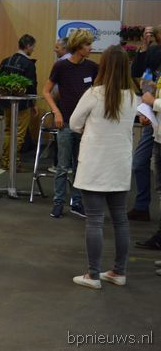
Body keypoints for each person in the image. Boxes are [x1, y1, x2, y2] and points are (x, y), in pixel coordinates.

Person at [69, 45, 138, 289]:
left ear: (104, 66)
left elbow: (74, 123)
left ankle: (93, 275)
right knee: (120, 220)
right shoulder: (133, 97)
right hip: (120, 165)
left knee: (95, 221)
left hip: (94, 165)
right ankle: (119, 272)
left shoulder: (94, 94)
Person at [43, 29, 98, 218]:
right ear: (78, 46)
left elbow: (98, 94)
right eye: (87, 44)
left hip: (85, 126)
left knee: (80, 166)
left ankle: (77, 202)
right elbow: (46, 91)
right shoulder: (61, 66)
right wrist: (56, 112)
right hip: (65, 123)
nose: (91, 48)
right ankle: (58, 202)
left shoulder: (92, 67)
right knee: (62, 166)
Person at [129, 25, 160, 222]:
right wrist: (144, 46)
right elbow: (138, 74)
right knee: (140, 162)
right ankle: (141, 207)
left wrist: (152, 104)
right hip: (152, 121)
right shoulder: (152, 61)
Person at [0, 34, 38, 170]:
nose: (33, 49)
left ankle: (5, 161)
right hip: (22, 104)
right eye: (32, 47)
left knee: (8, 131)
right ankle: (14, 162)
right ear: (28, 46)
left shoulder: (6, 61)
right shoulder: (28, 64)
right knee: (19, 134)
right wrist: (34, 104)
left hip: (7, 103)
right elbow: (32, 86)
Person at [47, 37, 70, 174]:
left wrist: (54, 104)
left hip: (61, 104)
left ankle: (59, 164)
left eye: (57, 47)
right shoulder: (69, 61)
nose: (55, 50)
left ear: (64, 48)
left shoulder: (61, 64)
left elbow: (55, 89)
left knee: (61, 134)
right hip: (66, 104)